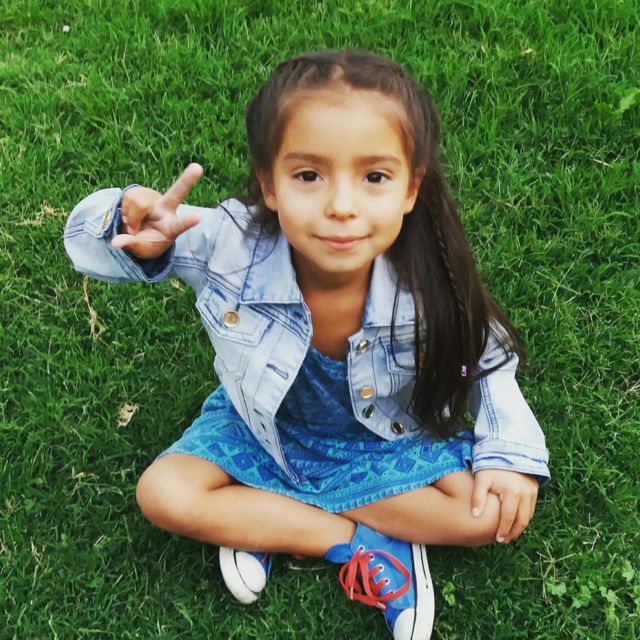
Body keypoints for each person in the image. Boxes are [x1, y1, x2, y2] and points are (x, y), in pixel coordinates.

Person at [64, 49, 550, 640]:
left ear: (410, 188)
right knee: (163, 493)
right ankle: (358, 543)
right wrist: (127, 221)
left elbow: (488, 364)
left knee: (490, 513)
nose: (341, 206)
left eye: (374, 177)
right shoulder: (230, 244)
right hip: (265, 431)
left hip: (381, 437)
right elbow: (85, 244)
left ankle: (262, 518)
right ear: (269, 185)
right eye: (308, 176)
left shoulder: (428, 278)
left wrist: (509, 454)